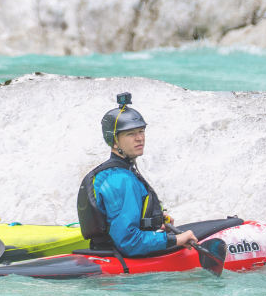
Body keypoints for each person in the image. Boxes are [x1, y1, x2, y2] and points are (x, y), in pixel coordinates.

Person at [76, 93, 199, 257]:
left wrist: (153, 220)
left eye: (141, 131)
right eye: (130, 133)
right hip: (121, 259)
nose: (139, 138)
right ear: (114, 140)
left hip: (109, 249)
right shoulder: (121, 179)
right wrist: (177, 240)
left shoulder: (115, 173)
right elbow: (129, 242)